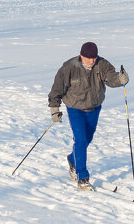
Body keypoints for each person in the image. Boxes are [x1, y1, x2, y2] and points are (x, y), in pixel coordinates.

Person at [48, 41, 128, 191]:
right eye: (88, 58)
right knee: (80, 139)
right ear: (81, 56)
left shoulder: (102, 64)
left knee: (87, 140)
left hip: (94, 107)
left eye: (94, 58)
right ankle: (82, 176)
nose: (92, 61)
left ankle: (72, 159)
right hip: (75, 108)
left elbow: (111, 78)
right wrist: (54, 109)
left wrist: (120, 79)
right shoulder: (68, 68)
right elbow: (56, 90)